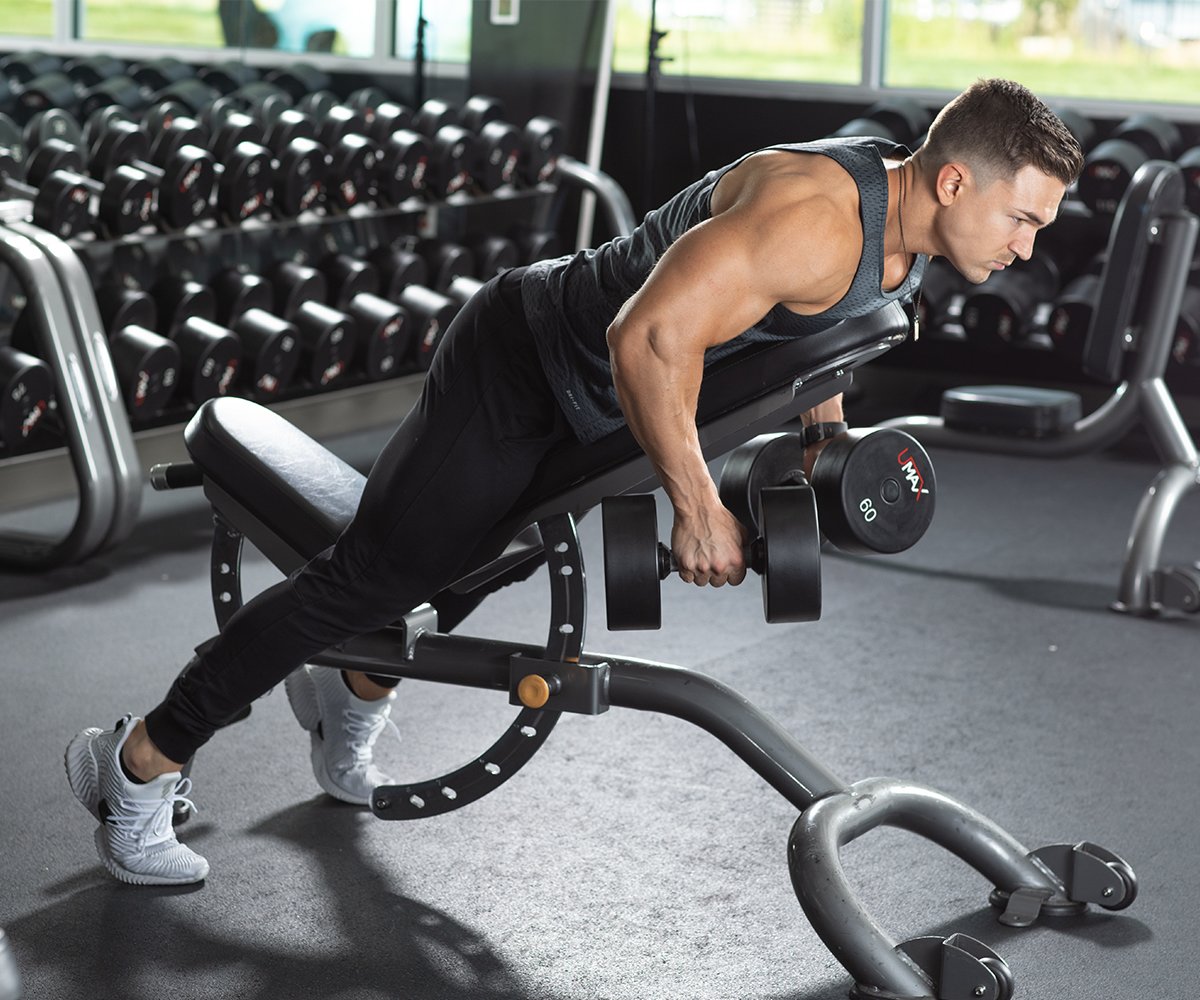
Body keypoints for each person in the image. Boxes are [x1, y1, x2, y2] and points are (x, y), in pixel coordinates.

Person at [65, 78, 1082, 886]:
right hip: (521, 367)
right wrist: (696, 505)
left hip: (591, 410)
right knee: (367, 578)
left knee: (469, 564)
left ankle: (352, 681)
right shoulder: (811, 217)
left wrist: (823, 429)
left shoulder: (899, 239)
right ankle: (139, 762)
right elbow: (644, 336)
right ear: (954, 183)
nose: (1028, 245)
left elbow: (813, 335)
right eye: (1023, 218)